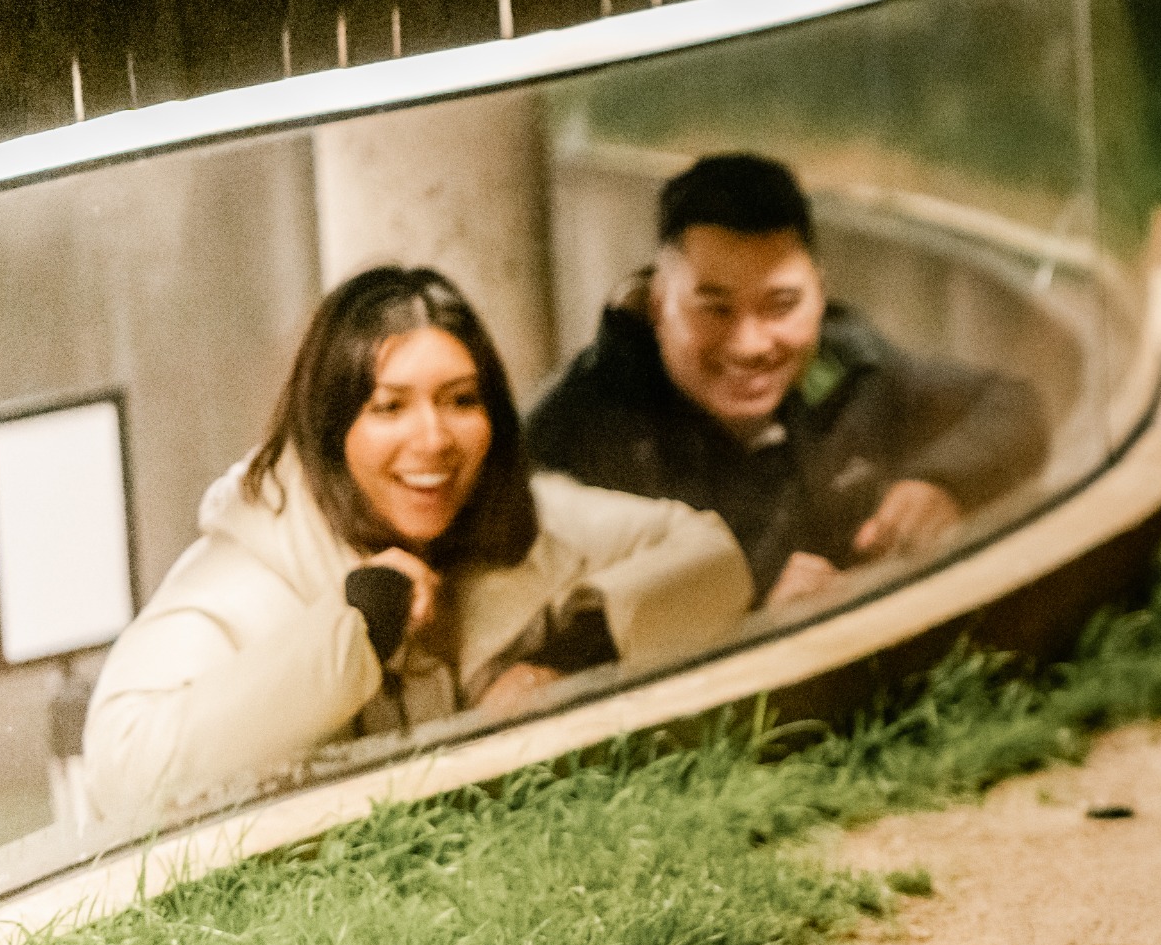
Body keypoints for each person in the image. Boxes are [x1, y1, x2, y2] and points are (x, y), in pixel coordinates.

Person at [84, 268, 752, 824]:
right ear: (329, 428)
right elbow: (124, 769)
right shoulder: (244, 574)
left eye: (460, 400)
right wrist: (356, 630)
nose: (433, 439)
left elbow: (708, 553)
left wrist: (574, 649)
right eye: (389, 407)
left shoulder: (518, 519)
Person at [525, 153, 1051, 610]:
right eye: (715, 310)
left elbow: (1012, 404)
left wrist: (940, 483)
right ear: (658, 303)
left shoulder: (849, 368)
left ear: (820, 293)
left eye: (782, 305)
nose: (752, 345)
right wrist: (748, 622)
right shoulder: (577, 432)